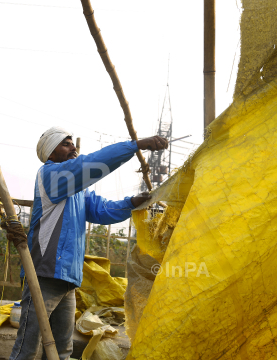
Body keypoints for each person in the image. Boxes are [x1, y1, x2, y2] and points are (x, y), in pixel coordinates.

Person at [9, 127, 168, 360]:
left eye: (73, 143)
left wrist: (132, 202)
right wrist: (136, 145)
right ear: (50, 154)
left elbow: (102, 210)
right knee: (27, 349)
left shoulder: (76, 191)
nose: (73, 147)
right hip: (44, 274)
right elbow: (91, 165)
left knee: (61, 350)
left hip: (67, 279)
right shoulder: (51, 176)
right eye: (66, 144)